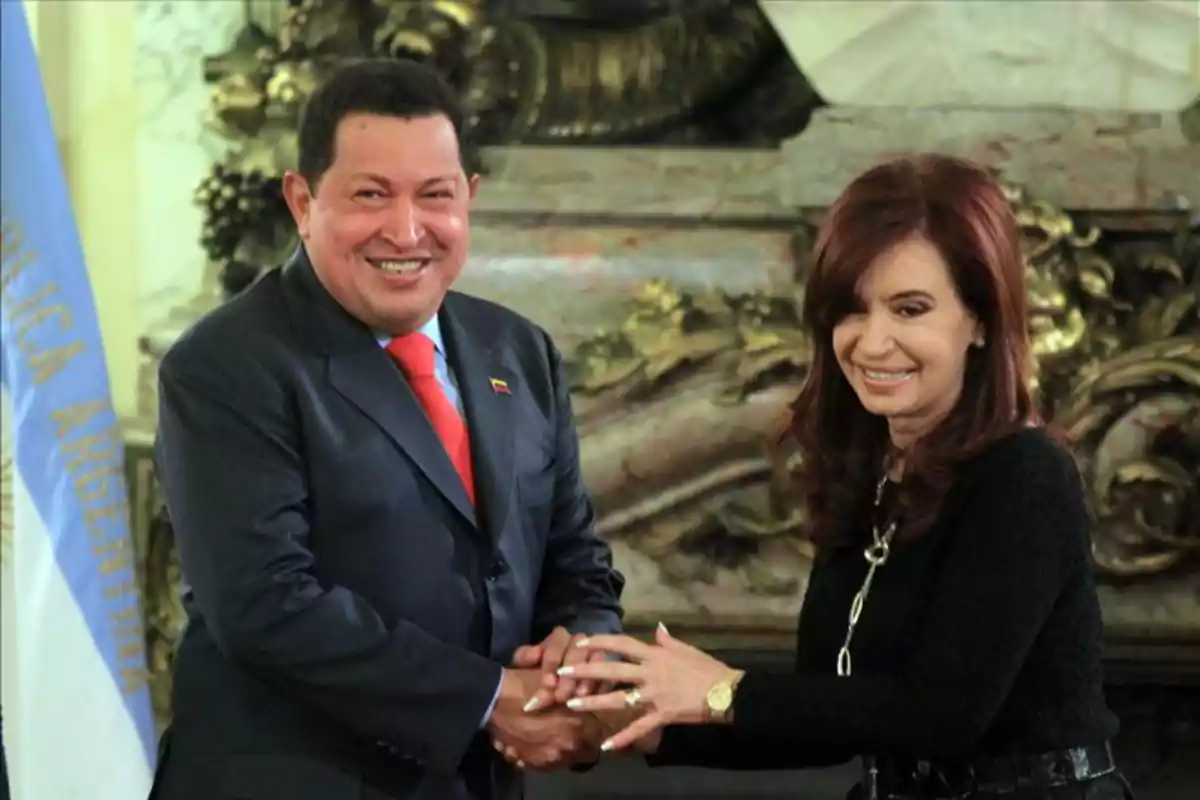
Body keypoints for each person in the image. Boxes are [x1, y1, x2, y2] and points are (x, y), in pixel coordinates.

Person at [545, 155, 1134, 800]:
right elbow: (829, 711)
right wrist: (643, 712)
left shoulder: (1025, 474)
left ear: (982, 320)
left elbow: (941, 715)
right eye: (851, 310)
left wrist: (719, 691)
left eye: (910, 309)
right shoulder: (874, 472)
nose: (872, 342)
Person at [149, 58, 624, 800]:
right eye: (371, 196)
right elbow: (266, 605)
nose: (407, 230)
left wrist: (580, 655)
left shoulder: (519, 351)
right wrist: (487, 699)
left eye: (435, 196)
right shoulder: (224, 366)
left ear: (469, 198)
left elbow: (575, 559)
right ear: (302, 201)